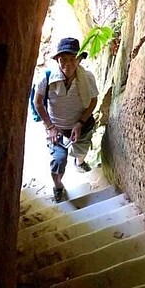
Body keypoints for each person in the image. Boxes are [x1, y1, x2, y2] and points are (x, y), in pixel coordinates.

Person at [33, 37, 98, 203]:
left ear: (79, 59)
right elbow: (37, 102)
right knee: (58, 160)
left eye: (72, 59)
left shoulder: (87, 78)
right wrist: (51, 127)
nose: (67, 64)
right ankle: (58, 186)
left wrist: (80, 122)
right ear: (57, 60)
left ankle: (79, 162)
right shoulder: (47, 78)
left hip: (80, 126)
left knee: (81, 150)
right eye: (63, 60)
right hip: (58, 129)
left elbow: (93, 101)